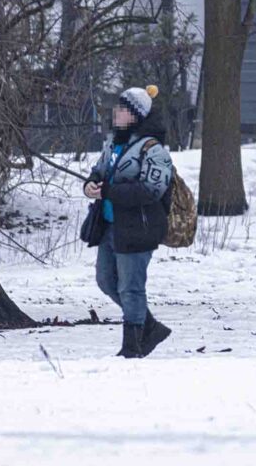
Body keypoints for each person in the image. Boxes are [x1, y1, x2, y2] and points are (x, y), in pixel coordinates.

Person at [83, 85, 173, 358]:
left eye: (122, 109)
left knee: (131, 288)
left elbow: (151, 190)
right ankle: (150, 327)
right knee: (105, 281)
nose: (116, 113)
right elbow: (98, 171)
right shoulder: (113, 143)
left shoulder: (152, 149)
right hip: (110, 226)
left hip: (139, 229)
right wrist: (91, 185)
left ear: (135, 115)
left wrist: (109, 190)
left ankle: (132, 347)